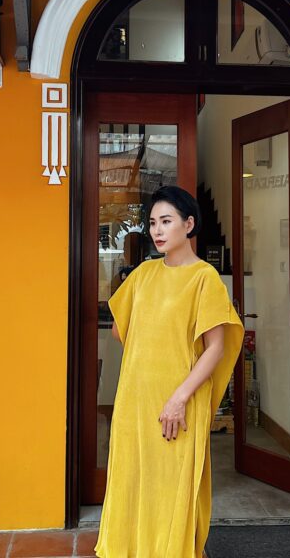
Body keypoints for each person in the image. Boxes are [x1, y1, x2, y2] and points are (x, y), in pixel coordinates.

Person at [93, 185, 245, 558]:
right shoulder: (143, 274)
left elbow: (216, 348)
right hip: (135, 401)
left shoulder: (204, 278)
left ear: (188, 224)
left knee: (172, 485)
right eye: (152, 223)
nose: (157, 230)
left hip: (179, 403)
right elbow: (120, 330)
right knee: (132, 481)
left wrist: (178, 398)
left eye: (166, 221)